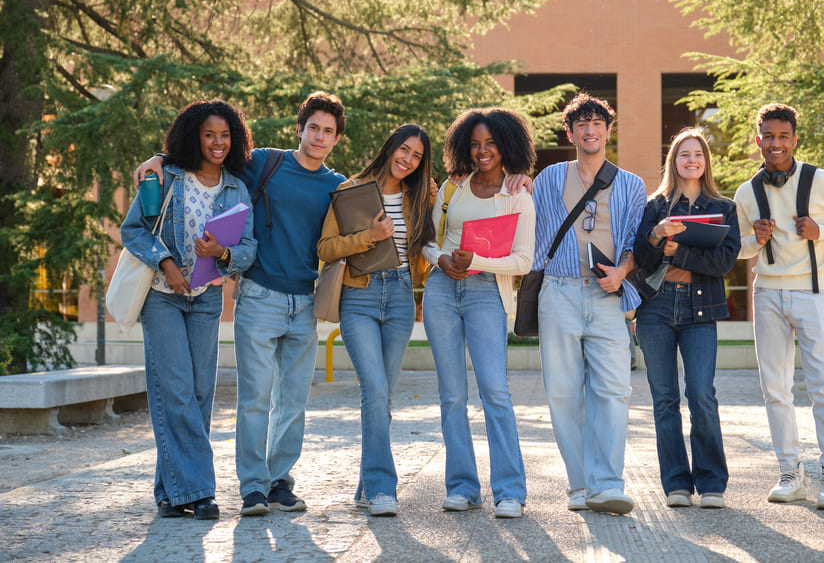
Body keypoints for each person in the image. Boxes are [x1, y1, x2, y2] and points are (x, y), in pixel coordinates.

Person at [134, 91, 347, 516]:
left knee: (292, 401)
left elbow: (351, 227)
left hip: (304, 300)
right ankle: (251, 486)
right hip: (258, 296)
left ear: (337, 138)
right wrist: (158, 158)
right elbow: (205, 150)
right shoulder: (263, 163)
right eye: (313, 128)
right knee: (252, 397)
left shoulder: (337, 186)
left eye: (328, 131)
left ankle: (279, 482)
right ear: (300, 128)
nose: (319, 136)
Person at [121, 100, 257, 520]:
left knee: (198, 395)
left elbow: (248, 250)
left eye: (225, 135)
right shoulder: (166, 177)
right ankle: (200, 492)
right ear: (194, 136)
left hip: (206, 299)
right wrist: (165, 262)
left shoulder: (236, 187)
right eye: (209, 134)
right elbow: (133, 229)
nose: (218, 143)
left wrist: (223, 252)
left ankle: (169, 492)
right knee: (176, 389)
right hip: (161, 296)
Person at [734, 102, 824, 510]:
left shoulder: (821, 181)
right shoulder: (746, 192)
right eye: (768, 136)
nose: (776, 143)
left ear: (794, 139)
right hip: (767, 295)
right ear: (758, 140)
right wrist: (752, 240)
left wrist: (821, 231)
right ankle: (790, 472)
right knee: (775, 389)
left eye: (783, 136)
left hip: (812, 294)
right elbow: (735, 250)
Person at [531, 92, 646, 514]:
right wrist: (515, 183)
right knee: (563, 392)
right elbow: (529, 226)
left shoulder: (632, 184)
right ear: (570, 133)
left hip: (607, 293)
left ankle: (608, 483)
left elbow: (636, 241)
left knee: (613, 390)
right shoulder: (547, 178)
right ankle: (580, 485)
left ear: (608, 131)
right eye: (582, 124)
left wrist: (622, 271)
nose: (591, 130)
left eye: (598, 123)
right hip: (558, 291)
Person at [421, 108, 536, 519]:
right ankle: (462, 487)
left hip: (487, 293)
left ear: (506, 145)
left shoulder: (518, 194)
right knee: (452, 395)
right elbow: (427, 242)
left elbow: (524, 260)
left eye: (490, 143)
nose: (483, 150)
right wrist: (441, 261)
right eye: (475, 144)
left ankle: (509, 491)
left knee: (494, 391)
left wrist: (479, 262)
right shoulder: (452, 190)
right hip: (441, 292)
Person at [316, 124, 436, 517]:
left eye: (417, 156)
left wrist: (436, 202)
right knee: (375, 390)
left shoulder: (418, 196)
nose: (408, 159)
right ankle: (384, 488)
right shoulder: (353, 189)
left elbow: (428, 247)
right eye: (404, 150)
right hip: (360, 295)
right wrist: (368, 235)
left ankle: (368, 485)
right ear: (390, 148)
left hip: (400, 297)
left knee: (383, 397)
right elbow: (326, 248)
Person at [632, 127, 739, 509]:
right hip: (656, 309)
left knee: (701, 395)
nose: (691, 160)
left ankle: (711, 483)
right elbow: (640, 261)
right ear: (673, 161)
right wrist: (657, 237)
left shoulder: (724, 208)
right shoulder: (655, 206)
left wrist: (676, 253)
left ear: (705, 161)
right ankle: (676, 484)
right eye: (683, 154)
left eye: (697, 154)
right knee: (664, 400)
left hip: (699, 310)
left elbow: (724, 262)